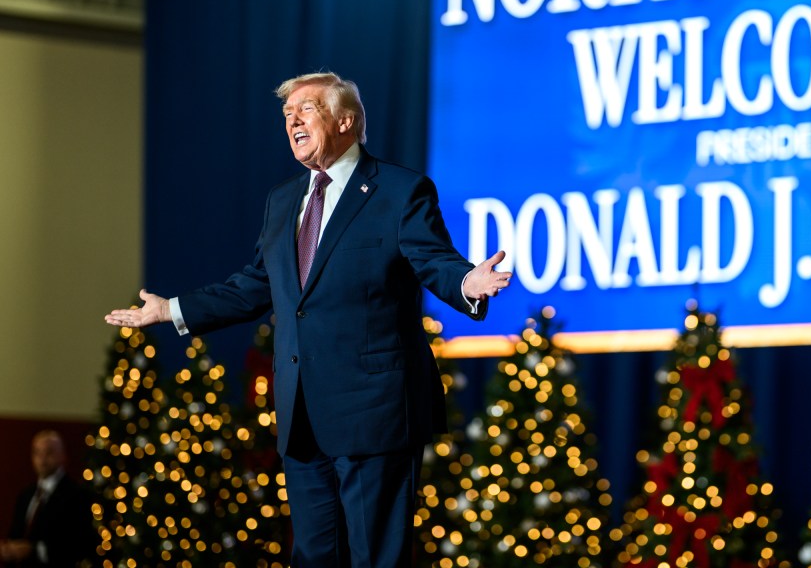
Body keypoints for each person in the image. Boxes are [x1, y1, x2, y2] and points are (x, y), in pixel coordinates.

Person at [104, 71, 512, 567]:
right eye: (287, 115)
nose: (292, 121)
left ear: (345, 120)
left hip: (374, 414)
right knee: (313, 557)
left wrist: (468, 282)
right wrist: (172, 310)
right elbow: (258, 284)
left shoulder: (399, 191)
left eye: (307, 109)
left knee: (376, 558)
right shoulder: (283, 200)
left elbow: (433, 260)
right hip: (301, 416)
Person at [0, 430, 96, 567]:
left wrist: (34, 550)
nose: (42, 459)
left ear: (62, 455)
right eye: (37, 453)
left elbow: (78, 544)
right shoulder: (26, 494)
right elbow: (15, 534)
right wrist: (8, 549)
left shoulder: (77, 495)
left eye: (49, 452)